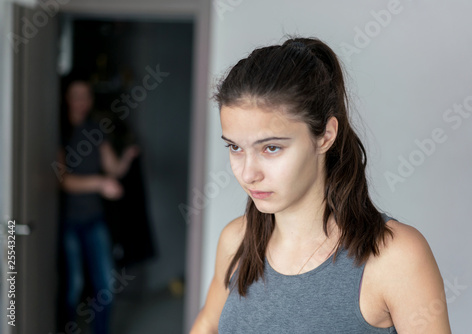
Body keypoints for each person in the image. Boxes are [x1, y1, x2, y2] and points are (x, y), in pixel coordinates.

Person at [190, 37, 451, 333]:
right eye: (235, 148)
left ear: (326, 136)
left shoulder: (395, 256)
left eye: (271, 148)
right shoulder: (236, 239)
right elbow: (208, 324)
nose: (248, 174)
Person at [57, 80, 139, 334]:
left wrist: (126, 158)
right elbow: (64, 180)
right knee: (74, 284)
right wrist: (100, 183)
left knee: (105, 285)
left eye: (86, 96)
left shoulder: (96, 131)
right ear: (67, 98)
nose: (81, 102)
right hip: (68, 221)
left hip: (95, 219)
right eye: (76, 96)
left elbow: (112, 169)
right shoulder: (58, 132)